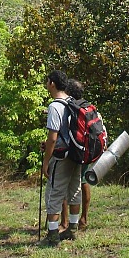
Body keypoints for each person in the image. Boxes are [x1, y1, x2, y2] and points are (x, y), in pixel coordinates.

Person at [41, 70, 82, 246]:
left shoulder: (54, 106)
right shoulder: (73, 102)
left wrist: (45, 162)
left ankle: (52, 235)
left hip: (62, 156)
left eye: (47, 81)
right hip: (78, 153)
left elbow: (52, 138)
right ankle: (72, 229)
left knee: (54, 193)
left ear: (52, 83)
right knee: (75, 190)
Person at [60, 78, 92, 233]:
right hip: (87, 151)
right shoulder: (89, 107)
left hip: (73, 151)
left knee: (66, 184)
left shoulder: (70, 108)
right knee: (84, 181)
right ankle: (83, 219)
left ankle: (65, 222)